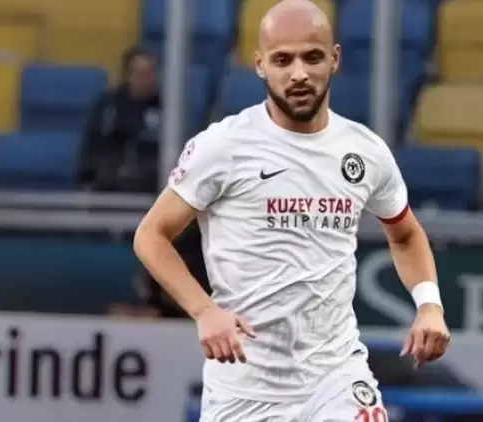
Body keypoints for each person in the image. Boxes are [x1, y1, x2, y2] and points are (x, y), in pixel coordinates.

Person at [133, 1, 450, 421]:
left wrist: (429, 305)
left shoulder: (365, 150)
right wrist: (204, 310)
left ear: (334, 59)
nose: (298, 73)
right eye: (283, 60)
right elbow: (151, 236)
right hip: (245, 387)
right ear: (260, 65)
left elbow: (405, 234)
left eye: (312, 57)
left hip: (336, 376)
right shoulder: (224, 146)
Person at [79, 46, 161, 193]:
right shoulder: (109, 108)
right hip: (111, 186)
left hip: (152, 187)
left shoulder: (166, 108)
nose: (147, 80)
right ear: (127, 76)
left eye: (150, 73)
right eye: (140, 74)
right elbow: (92, 151)